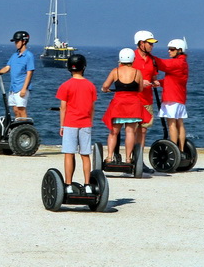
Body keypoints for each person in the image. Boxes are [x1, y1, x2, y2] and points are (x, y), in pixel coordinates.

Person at [56, 54, 96, 194]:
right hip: (85, 123)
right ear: (83, 67)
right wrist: (90, 122)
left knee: (69, 154)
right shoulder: (90, 86)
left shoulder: (65, 86)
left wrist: (62, 125)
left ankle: (68, 185)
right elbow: (91, 108)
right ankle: (87, 185)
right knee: (85, 155)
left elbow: (63, 108)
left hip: (70, 123)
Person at [101, 48, 150, 164]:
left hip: (119, 105)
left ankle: (109, 157)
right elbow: (140, 89)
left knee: (114, 132)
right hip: (133, 105)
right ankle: (128, 159)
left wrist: (106, 90)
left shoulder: (115, 71)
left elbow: (105, 86)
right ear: (133, 59)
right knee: (130, 132)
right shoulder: (137, 72)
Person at [152, 38, 189, 151]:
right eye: (169, 49)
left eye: (172, 49)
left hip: (171, 98)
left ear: (179, 50)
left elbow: (163, 64)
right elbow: (174, 79)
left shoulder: (177, 63)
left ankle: (174, 149)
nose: (169, 51)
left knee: (171, 124)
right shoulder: (183, 63)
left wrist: (149, 56)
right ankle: (181, 149)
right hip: (179, 97)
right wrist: (160, 83)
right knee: (180, 124)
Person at [0, 31, 35, 120]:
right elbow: (7, 68)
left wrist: (24, 89)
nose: (16, 44)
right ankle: (18, 130)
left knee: (21, 110)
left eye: (17, 41)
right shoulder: (14, 55)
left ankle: (25, 130)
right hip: (13, 88)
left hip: (21, 87)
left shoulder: (29, 56)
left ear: (24, 41)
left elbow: (30, 73)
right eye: (15, 42)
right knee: (15, 110)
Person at [132, 30, 159, 172]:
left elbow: (153, 76)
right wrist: (141, 83)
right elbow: (124, 79)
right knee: (132, 130)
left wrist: (155, 82)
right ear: (141, 43)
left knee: (143, 131)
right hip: (133, 100)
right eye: (150, 44)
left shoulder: (152, 60)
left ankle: (139, 160)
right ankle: (131, 160)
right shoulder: (131, 58)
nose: (152, 46)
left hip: (147, 100)